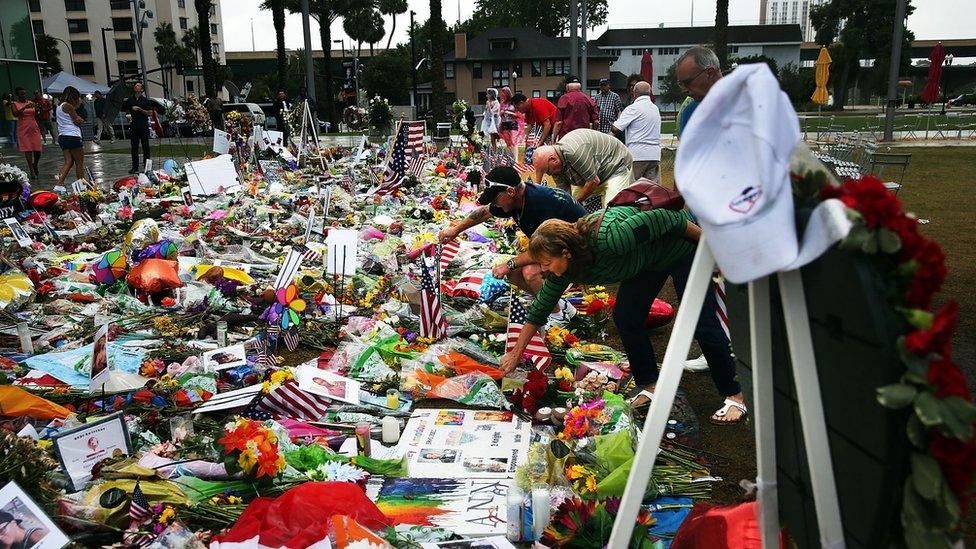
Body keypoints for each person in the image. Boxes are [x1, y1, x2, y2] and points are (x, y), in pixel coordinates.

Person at [500, 209, 747, 424]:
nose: (543, 269)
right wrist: (514, 354)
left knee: (699, 322)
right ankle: (649, 384)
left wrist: (712, 248)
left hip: (681, 250)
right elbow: (539, 310)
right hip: (646, 261)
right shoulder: (563, 269)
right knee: (626, 317)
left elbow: (671, 220)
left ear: (565, 252)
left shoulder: (612, 237)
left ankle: (735, 394)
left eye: (545, 262)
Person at [437, 165, 584, 323]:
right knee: (513, 273)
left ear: (511, 192)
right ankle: (562, 306)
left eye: (495, 199)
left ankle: (557, 317)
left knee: (529, 273)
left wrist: (510, 263)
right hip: (557, 247)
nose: (495, 204)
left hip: (579, 251)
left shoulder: (539, 205)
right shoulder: (514, 200)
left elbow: (545, 250)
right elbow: (485, 212)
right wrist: (456, 230)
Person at [532, 128, 633, 213]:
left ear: (553, 159)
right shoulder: (556, 165)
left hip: (615, 166)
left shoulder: (574, 152)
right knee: (575, 210)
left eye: (548, 171)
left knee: (612, 209)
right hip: (593, 175)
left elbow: (593, 181)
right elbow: (564, 194)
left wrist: (574, 204)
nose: (550, 174)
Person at [612, 81, 661, 182]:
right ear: (649, 92)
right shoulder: (655, 108)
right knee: (651, 189)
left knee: (634, 187)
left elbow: (616, 128)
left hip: (637, 154)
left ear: (634, 93)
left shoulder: (633, 108)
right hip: (654, 154)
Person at [675, 46, 723, 135]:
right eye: (681, 84)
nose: (684, 90)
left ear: (710, 73)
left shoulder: (748, 103)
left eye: (687, 82)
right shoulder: (690, 111)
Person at [55, 86, 86, 186]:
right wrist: (80, 119)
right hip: (73, 135)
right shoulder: (68, 106)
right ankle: (82, 183)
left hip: (62, 136)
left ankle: (59, 183)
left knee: (68, 161)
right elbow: (77, 121)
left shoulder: (59, 106)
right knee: (79, 163)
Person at [11, 88, 42, 179]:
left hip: (33, 127)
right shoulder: (14, 104)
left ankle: (35, 164)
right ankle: (31, 171)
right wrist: (24, 107)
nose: (24, 96)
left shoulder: (30, 102)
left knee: (37, 150)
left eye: (24, 94)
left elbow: (37, 113)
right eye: (21, 94)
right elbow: (15, 114)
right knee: (28, 150)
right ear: (17, 95)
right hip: (23, 128)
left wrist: (37, 108)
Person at [122, 83, 152, 174]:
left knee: (145, 147)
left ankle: (147, 166)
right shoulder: (130, 100)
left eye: (138, 85)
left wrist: (139, 109)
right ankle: (135, 166)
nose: (136, 86)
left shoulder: (145, 100)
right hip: (134, 126)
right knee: (134, 147)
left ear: (141, 89)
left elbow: (149, 113)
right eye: (135, 85)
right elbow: (126, 109)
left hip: (143, 126)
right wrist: (128, 115)